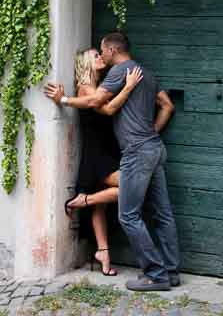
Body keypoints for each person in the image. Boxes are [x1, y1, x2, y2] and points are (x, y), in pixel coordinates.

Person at [45, 31, 180, 292]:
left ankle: (156, 274)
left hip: (137, 153)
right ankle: (171, 272)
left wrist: (61, 99)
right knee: (163, 214)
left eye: (103, 51)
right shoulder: (148, 74)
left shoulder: (119, 71)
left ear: (112, 51)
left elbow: (97, 101)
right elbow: (168, 106)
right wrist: (151, 131)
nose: (102, 55)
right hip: (154, 149)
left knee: (128, 215)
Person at [47, 47, 143, 276]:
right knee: (127, 187)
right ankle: (82, 200)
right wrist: (129, 87)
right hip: (98, 152)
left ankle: (103, 253)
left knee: (102, 205)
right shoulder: (85, 88)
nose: (100, 58)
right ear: (85, 64)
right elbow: (107, 109)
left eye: (100, 54)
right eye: (95, 56)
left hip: (105, 148)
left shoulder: (98, 86)